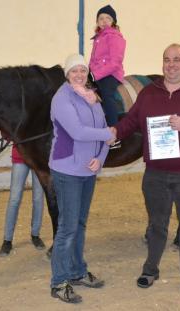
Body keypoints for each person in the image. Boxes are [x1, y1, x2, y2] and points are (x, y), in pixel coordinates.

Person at [113, 44, 180, 293]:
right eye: (166, 60)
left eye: (176, 59)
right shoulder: (149, 93)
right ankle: (150, 269)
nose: (171, 64)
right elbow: (131, 121)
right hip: (155, 174)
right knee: (156, 224)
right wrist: (113, 132)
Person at [49, 54, 115, 304]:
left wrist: (101, 157)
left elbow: (104, 129)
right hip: (67, 170)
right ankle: (59, 281)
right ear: (67, 74)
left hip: (89, 170)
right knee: (67, 228)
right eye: (74, 71)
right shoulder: (62, 98)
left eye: (82, 71)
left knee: (80, 224)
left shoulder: (91, 96)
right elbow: (78, 131)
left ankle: (77, 272)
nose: (79, 74)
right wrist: (106, 135)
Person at [89, 4, 126, 148]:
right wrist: (88, 74)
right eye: (101, 18)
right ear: (97, 22)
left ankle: (113, 134)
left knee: (106, 94)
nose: (104, 21)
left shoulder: (114, 36)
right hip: (97, 74)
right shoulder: (98, 38)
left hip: (111, 74)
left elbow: (115, 62)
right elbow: (93, 61)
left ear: (113, 22)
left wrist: (95, 74)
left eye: (108, 18)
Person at [0, 145, 45, 256]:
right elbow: (6, 131)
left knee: (38, 198)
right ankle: (7, 240)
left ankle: (35, 235)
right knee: (14, 199)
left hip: (39, 157)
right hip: (20, 155)